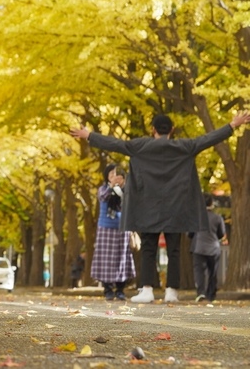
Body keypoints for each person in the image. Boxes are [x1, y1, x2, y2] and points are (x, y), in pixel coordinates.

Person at [71, 112, 250, 303]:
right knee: (174, 250)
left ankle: (147, 290)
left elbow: (115, 143)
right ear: (172, 130)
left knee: (148, 248)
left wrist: (88, 135)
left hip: (147, 207)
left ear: (153, 130)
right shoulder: (184, 147)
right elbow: (208, 139)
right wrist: (232, 124)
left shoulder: (140, 146)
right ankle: (171, 292)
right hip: (176, 207)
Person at [89, 164, 135, 300]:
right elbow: (103, 197)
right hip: (105, 228)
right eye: (111, 174)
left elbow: (131, 201)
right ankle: (107, 289)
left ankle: (120, 289)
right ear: (107, 177)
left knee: (122, 258)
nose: (114, 177)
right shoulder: (103, 189)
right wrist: (111, 186)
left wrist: (124, 185)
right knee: (106, 260)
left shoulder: (126, 190)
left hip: (123, 228)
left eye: (116, 174)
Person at [190, 194, 226, 302]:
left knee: (199, 271)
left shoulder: (196, 217)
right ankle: (211, 295)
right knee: (212, 272)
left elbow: (189, 233)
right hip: (213, 249)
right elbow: (221, 234)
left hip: (198, 248)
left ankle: (201, 293)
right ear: (211, 204)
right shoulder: (218, 218)